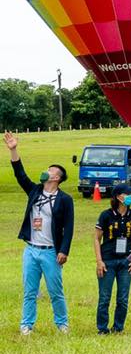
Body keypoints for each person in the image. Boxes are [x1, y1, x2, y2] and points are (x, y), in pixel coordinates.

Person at [6, 131, 74, 335]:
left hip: (51, 252)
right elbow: (20, 174)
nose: (46, 172)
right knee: (30, 291)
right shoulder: (35, 191)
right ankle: (26, 324)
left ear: (57, 178)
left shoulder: (65, 199)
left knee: (55, 291)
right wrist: (13, 150)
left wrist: (64, 251)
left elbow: (69, 227)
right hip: (31, 250)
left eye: (50, 170)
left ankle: (62, 323)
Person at [93, 191, 131, 334]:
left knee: (123, 298)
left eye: (130, 193)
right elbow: (96, 239)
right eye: (126, 194)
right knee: (104, 297)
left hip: (126, 261)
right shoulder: (106, 215)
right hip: (107, 260)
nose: (129, 196)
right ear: (118, 197)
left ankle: (118, 327)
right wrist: (99, 261)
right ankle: (102, 328)